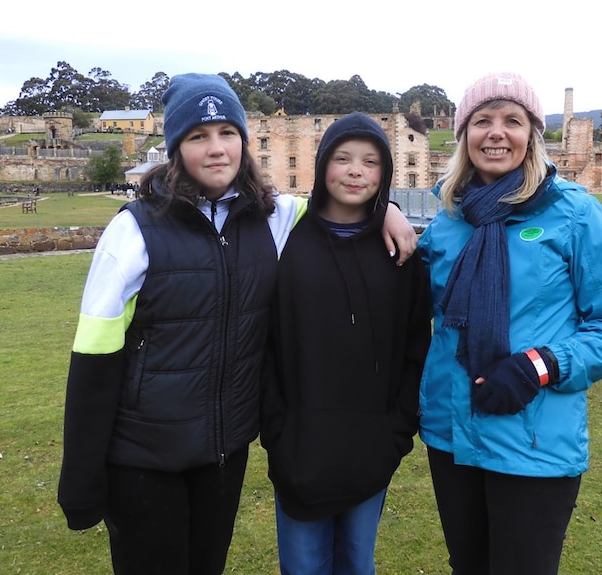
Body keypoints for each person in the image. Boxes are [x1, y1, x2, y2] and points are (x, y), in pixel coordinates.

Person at [56, 73, 417, 575]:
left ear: (244, 143)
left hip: (221, 453)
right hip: (144, 455)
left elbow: (341, 201)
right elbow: (94, 359)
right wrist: (80, 475)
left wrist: (391, 211)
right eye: (198, 136)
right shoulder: (134, 229)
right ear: (175, 148)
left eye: (228, 133)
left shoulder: (269, 217)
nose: (217, 149)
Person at [417, 72, 602, 575]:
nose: (496, 132)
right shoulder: (447, 221)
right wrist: (383, 214)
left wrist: (539, 365)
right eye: (482, 121)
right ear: (463, 135)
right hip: (451, 432)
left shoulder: (574, 212)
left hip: (534, 438)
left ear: (532, 136)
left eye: (512, 121)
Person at [260, 112, 432, 574]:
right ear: (321, 167)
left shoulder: (401, 255)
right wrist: (276, 427)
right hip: (299, 444)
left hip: (372, 445)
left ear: (386, 174)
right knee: (303, 566)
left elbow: (416, 349)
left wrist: (397, 430)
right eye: (343, 159)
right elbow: (267, 346)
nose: (356, 170)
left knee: (358, 563)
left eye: (371, 162)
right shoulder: (287, 244)